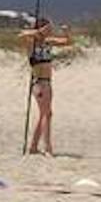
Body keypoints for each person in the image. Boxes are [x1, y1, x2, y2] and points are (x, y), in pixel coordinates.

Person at [20, 16, 73, 156]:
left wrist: (67, 32)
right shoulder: (31, 43)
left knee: (44, 114)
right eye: (48, 28)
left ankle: (33, 147)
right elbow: (21, 34)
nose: (50, 31)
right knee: (47, 114)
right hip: (38, 82)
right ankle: (48, 148)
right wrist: (38, 32)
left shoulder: (48, 42)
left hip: (48, 83)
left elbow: (67, 42)